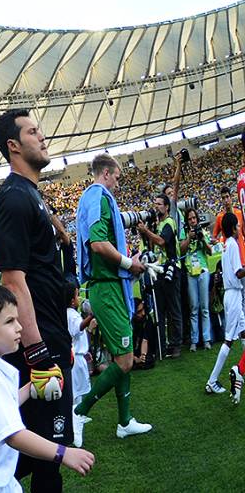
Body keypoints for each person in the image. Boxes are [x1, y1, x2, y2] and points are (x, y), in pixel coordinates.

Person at [0, 109, 71, 492]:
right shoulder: (14, 199)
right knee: (44, 455)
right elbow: (13, 281)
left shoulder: (30, 194)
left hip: (51, 333)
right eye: (33, 132)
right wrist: (39, 354)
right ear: (13, 145)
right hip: (39, 344)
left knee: (44, 453)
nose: (43, 137)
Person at [0, 286, 95, 492]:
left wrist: (31, 387)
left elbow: (3, 405)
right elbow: (13, 435)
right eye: (10, 321)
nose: (20, 327)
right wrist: (63, 453)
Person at [73, 153, 152, 444]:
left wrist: (127, 262)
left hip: (109, 286)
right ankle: (79, 411)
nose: (118, 183)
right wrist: (129, 264)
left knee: (125, 356)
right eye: (117, 177)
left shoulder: (91, 198)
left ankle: (124, 421)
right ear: (106, 173)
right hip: (106, 288)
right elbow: (98, 243)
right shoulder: (99, 197)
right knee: (125, 360)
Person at [137, 194, 183, 358]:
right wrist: (145, 232)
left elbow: (162, 242)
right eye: (154, 203)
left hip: (170, 269)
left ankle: (176, 345)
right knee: (160, 310)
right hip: (158, 271)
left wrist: (146, 231)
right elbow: (151, 245)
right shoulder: (158, 224)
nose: (156, 206)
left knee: (173, 308)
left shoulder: (169, 222)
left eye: (159, 204)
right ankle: (162, 346)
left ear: (167, 207)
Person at [206, 213, 245, 399]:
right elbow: (239, 273)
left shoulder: (227, 244)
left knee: (243, 333)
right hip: (234, 294)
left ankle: (241, 371)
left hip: (232, 295)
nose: (239, 228)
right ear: (232, 228)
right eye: (237, 226)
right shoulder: (233, 245)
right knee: (229, 340)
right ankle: (212, 381)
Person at [65, 282, 95, 448]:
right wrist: (91, 315)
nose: (79, 298)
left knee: (80, 390)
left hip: (79, 356)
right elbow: (78, 328)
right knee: (76, 392)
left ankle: (79, 413)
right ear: (71, 300)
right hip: (75, 359)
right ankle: (75, 420)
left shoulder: (69, 313)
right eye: (77, 295)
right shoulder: (72, 315)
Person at [181, 207, 214, 351]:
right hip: (190, 272)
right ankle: (194, 340)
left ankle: (206, 339)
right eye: (190, 219)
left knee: (204, 307)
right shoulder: (184, 232)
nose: (193, 221)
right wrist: (189, 237)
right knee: (194, 307)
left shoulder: (202, 231)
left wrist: (202, 239)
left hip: (202, 270)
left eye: (194, 218)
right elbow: (181, 250)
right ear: (187, 221)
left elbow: (210, 251)